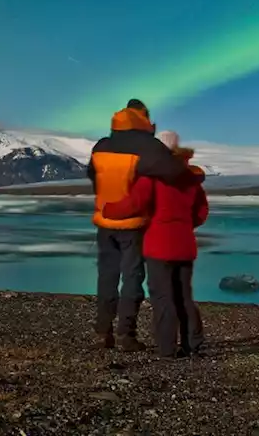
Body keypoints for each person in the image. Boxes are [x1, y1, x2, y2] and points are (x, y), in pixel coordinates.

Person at [87, 99, 190, 351]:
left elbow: (92, 174)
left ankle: (102, 332)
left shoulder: (102, 145)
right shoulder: (148, 146)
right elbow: (173, 173)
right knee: (132, 277)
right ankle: (126, 335)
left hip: (104, 221)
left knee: (106, 276)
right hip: (133, 223)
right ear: (143, 118)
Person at [103, 130, 208, 359]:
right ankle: (193, 344)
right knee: (183, 295)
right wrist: (184, 226)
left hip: (159, 244)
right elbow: (201, 212)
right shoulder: (190, 179)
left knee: (163, 297)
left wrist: (108, 209)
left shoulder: (152, 176)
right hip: (184, 244)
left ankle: (167, 349)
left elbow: (134, 204)